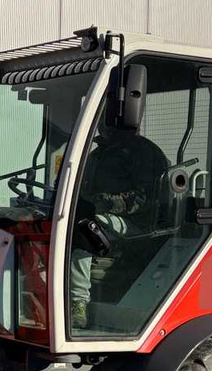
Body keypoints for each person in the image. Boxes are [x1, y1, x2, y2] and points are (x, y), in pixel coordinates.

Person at [69, 122, 169, 330]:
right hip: (105, 216)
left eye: (108, 117)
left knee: (84, 229)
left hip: (138, 223)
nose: (102, 124)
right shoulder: (98, 154)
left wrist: (102, 203)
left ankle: (77, 303)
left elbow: (144, 198)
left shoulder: (142, 152)